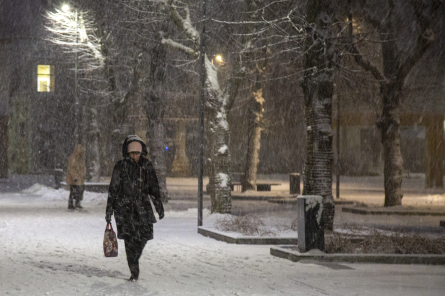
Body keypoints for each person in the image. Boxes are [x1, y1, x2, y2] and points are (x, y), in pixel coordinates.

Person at [105, 135, 164, 282]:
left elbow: (153, 188)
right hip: (124, 210)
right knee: (129, 242)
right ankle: (134, 271)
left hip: (143, 209)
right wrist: (109, 210)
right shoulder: (120, 166)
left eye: (137, 153)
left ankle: (134, 261)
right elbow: (113, 189)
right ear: (127, 153)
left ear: (142, 152)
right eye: (132, 153)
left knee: (143, 237)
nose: (135, 156)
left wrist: (159, 206)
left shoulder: (146, 165)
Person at [66, 144, 86, 209]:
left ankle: (77, 203)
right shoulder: (73, 158)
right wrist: (74, 177)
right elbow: (71, 168)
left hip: (79, 177)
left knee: (79, 190)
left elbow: (82, 167)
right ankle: (71, 204)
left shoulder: (80, 158)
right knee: (73, 190)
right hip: (74, 178)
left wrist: (83, 174)